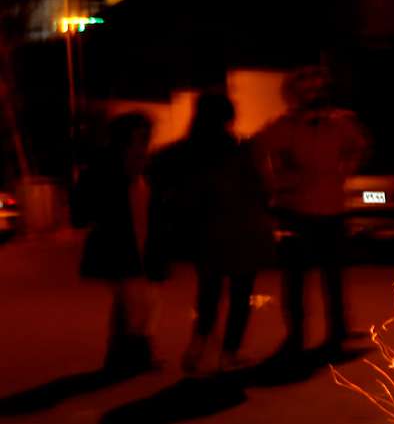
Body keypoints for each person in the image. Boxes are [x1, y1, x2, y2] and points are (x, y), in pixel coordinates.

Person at [152, 92, 275, 374]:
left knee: (208, 292)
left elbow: (162, 177)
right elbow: (263, 187)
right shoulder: (241, 149)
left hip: (205, 231)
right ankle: (229, 353)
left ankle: (198, 347)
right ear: (229, 117)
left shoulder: (186, 151)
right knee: (240, 294)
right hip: (243, 229)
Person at [254, 66, 368, 360]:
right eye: (306, 88)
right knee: (295, 280)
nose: (313, 93)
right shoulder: (284, 126)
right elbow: (258, 152)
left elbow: (359, 147)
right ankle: (295, 337)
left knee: (333, 278)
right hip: (296, 211)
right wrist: (277, 183)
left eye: (318, 88)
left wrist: (345, 169)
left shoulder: (341, 123)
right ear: (294, 94)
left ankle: (337, 334)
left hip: (331, 210)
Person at [72, 112, 165, 375]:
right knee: (135, 303)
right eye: (140, 135)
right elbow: (81, 211)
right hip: (120, 247)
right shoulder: (106, 167)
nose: (145, 141)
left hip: (143, 246)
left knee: (141, 302)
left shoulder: (146, 166)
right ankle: (129, 357)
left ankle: (126, 356)